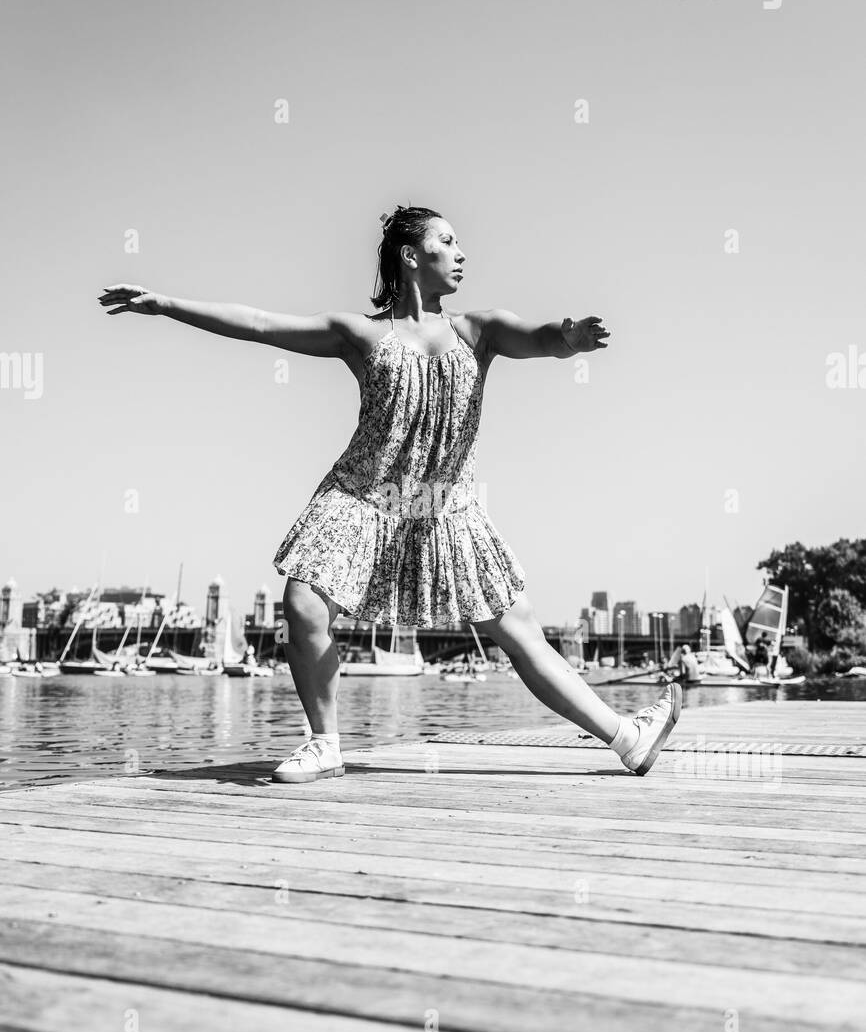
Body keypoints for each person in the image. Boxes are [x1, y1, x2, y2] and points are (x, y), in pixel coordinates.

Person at [99, 204, 681, 781]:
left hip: (441, 505)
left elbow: (543, 337)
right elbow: (258, 323)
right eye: (447, 242)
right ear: (411, 256)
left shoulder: (479, 331)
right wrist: (165, 304)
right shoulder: (361, 334)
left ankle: (628, 737)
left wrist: (571, 338)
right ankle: (325, 744)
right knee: (303, 600)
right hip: (363, 495)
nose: (461, 254)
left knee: (516, 629)